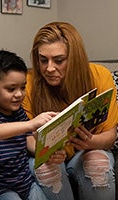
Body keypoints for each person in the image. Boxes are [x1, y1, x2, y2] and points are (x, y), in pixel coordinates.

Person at [22, 21, 118, 200]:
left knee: (98, 164)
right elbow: (26, 136)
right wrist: (45, 151)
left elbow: (110, 135)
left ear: (74, 58)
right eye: (43, 60)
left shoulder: (99, 76)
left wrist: (91, 142)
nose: (49, 68)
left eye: (59, 60)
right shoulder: (28, 82)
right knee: (45, 169)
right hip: (47, 156)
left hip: (85, 151)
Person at [0, 48, 62, 200]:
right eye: (11, 89)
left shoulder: (18, 111)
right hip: (1, 188)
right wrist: (30, 124)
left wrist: (48, 153)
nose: (19, 94)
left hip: (26, 181)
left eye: (23, 87)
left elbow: (29, 141)